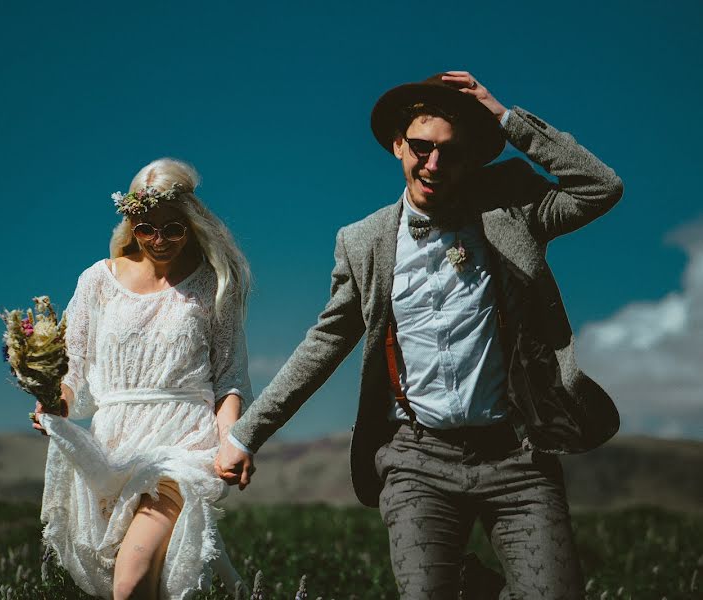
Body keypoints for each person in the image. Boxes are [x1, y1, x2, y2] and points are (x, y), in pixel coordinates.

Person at [215, 71, 623, 598]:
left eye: (449, 152)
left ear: (470, 157)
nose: (433, 164)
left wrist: (505, 117)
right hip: (417, 460)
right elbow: (323, 344)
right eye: (421, 147)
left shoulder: (511, 209)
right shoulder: (364, 242)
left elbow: (601, 187)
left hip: (517, 456)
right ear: (397, 145)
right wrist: (245, 434)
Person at [33, 157, 251, 599]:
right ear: (130, 222)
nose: (159, 239)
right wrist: (52, 402)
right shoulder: (97, 281)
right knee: (149, 587)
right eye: (146, 227)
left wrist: (233, 440)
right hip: (112, 450)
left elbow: (229, 379)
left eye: (173, 228)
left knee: (129, 582)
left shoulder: (213, 284)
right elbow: (73, 372)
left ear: (191, 223)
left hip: (182, 445)